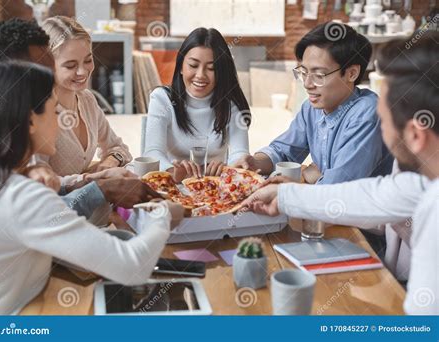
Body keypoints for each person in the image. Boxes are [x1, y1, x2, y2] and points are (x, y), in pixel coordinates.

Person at [242, 32, 439, 315]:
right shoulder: (419, 181)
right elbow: (373, 195)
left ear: (416, 136)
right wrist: (285, 194)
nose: (380, 130)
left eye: (383, 121)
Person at [0, 61, 183, 315]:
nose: (60, 123)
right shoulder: (22, 196)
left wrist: (90, 179)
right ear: (31, 121)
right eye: (55, 112)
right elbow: (131, 266)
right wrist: (163, 216)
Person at [0, 18, 158, 221]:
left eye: (88, 60)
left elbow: (120, 149)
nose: (83, 72)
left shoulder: (87, 100)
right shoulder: (36, 114)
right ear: (47, 65)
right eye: (70, 65)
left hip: (101, 221)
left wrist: (107, 164)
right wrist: (98, 179)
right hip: (66, 224)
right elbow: (45, 184)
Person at [235, 22, 393, 184]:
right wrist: (255, 163)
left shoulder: (367, 113)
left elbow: (337, 189)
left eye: (319, 75)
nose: (307, 84)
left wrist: (308, 177)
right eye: (303, 72)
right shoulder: (311, 108)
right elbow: (282, 151)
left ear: (351, 73)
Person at [144, 27, 250, 182]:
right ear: (181, 66)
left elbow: (241, 154)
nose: (200, 75)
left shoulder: (230, 104)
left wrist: (228, 168)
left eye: (211, 68)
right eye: (193, 65)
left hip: (216, 190)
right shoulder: (162, 99)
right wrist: (172, 171)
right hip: (172, 185)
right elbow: (152, 152)